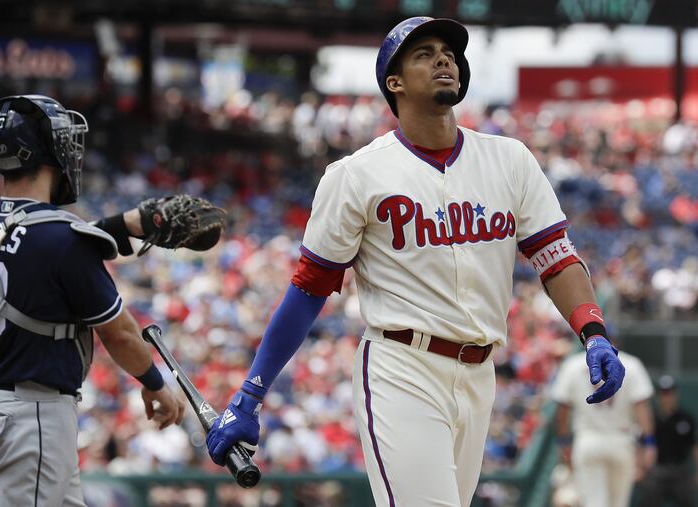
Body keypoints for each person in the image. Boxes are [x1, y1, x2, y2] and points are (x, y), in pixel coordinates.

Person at [205, 17, 626, 506]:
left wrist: (592, 331)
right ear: (395, 82)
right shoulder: (357, 174)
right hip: (401, 366)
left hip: (480, 372)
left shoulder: (510, 159)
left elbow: (556, 259)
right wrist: (250, 394)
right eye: (424, 53)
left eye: (448, 52)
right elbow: (309, 289)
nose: (443, 58)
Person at [0, 95, 189, 507]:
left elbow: (47, 247)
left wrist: (125, 225)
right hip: (34, 416)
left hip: (10, 407)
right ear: (45, 151)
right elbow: (119, 333)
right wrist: (156, 385)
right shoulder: (61, 238)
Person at [552, 345, 655, 507]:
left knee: (593, 502)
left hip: (588, 440)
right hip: (621, 440)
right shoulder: (631, 364)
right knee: (618, 504)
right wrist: (648, 443)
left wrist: (564, 441)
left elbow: (563, 408)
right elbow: (641, 407)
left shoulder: (572, 364)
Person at [639, 374, 697, 507]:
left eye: (670, 394)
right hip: (657, 470)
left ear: (675, 395)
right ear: (658, 396)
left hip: (681, 470)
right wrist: (640, 466)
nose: (667, 398)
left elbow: (694, 446)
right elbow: (641, 444)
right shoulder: (650, 419)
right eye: (664, 394)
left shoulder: (686, 419)